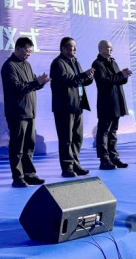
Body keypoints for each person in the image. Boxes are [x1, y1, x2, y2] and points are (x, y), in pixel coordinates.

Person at [1, 37, 51, 188]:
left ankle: (30, 174)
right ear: (18, 48)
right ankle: (18, 177)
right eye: (27, 51)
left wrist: (40, 82)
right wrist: (36, 82)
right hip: (17, 113)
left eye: (30, 52)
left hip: (30, 111)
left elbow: (31, 84)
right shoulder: (9, 66)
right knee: (17, 146)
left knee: (29, 145)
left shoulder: (27, 65)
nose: (29, 54)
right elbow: (17, 88)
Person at [50, 37, 95, 178]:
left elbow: (80, 81)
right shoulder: (58, 63)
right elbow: (66, 80)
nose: (75, 49)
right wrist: (82, 75)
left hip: (78, 105)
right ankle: (67, 167)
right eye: (71, 46)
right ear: (63, 48)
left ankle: (75, 164)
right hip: (65, 106)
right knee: (66, 139)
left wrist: (89, 77)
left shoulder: (75, 62)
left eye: (75, 46)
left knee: (78, 138)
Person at [91, 40, 132, 170]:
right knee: (103, 132)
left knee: (113, 131)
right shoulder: (97, 64)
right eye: (108, 47)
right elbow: (103, 82)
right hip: (106, 103)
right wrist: (120, 75)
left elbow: (118, 80)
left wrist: (124, 76)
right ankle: (104, 159)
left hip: (116, 101)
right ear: (100, 49)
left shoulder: (113, 62)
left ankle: (114, 157)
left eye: (111, 47)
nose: (111, 49)